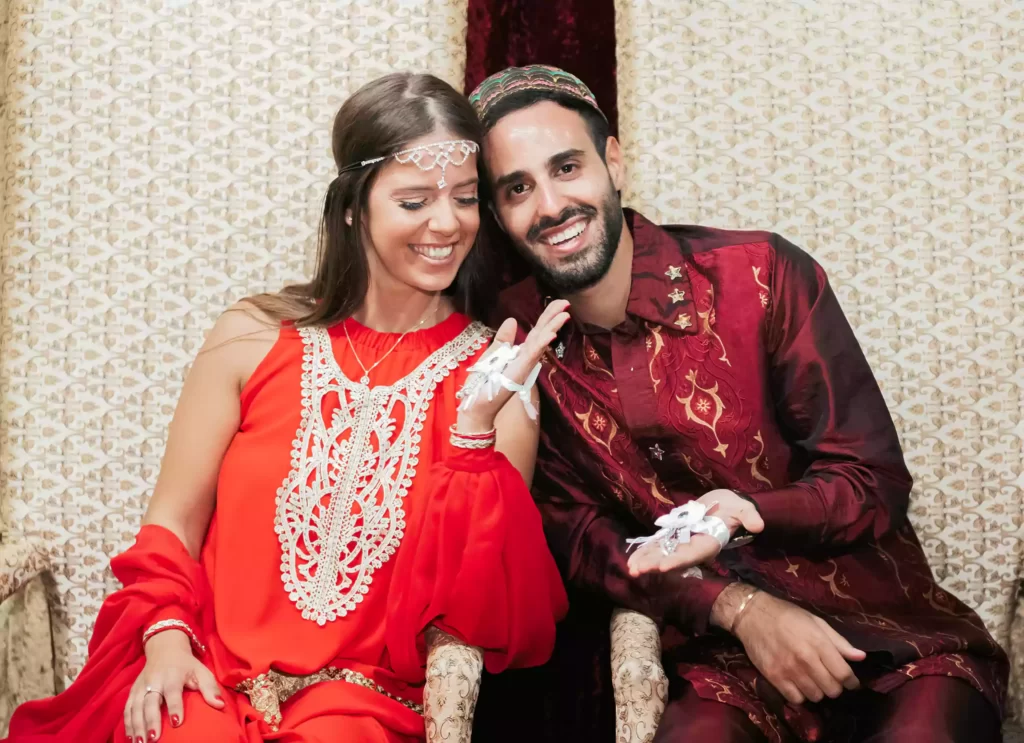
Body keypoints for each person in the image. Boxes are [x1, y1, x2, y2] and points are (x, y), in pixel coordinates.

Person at [4, 72, 568, 743]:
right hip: (206, 673)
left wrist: (473, 433)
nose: (446, 223)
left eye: (466, 198)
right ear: (353, 207)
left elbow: (481, 610)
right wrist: (167, 639)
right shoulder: (250, 336)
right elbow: (173, 523)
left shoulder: (497, 378)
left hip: (361, 709)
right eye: (415, 200)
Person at [467, 65, 1007, 743]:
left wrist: (748, 511)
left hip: (898, 642)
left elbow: (873, 479)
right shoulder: (518, 347)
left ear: (614, 162)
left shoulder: (760, 276)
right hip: (726, 664)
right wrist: (737, 608)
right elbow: (583, 542)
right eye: (517, 188)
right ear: (497, 215)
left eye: (567, 167)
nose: (551, 205)